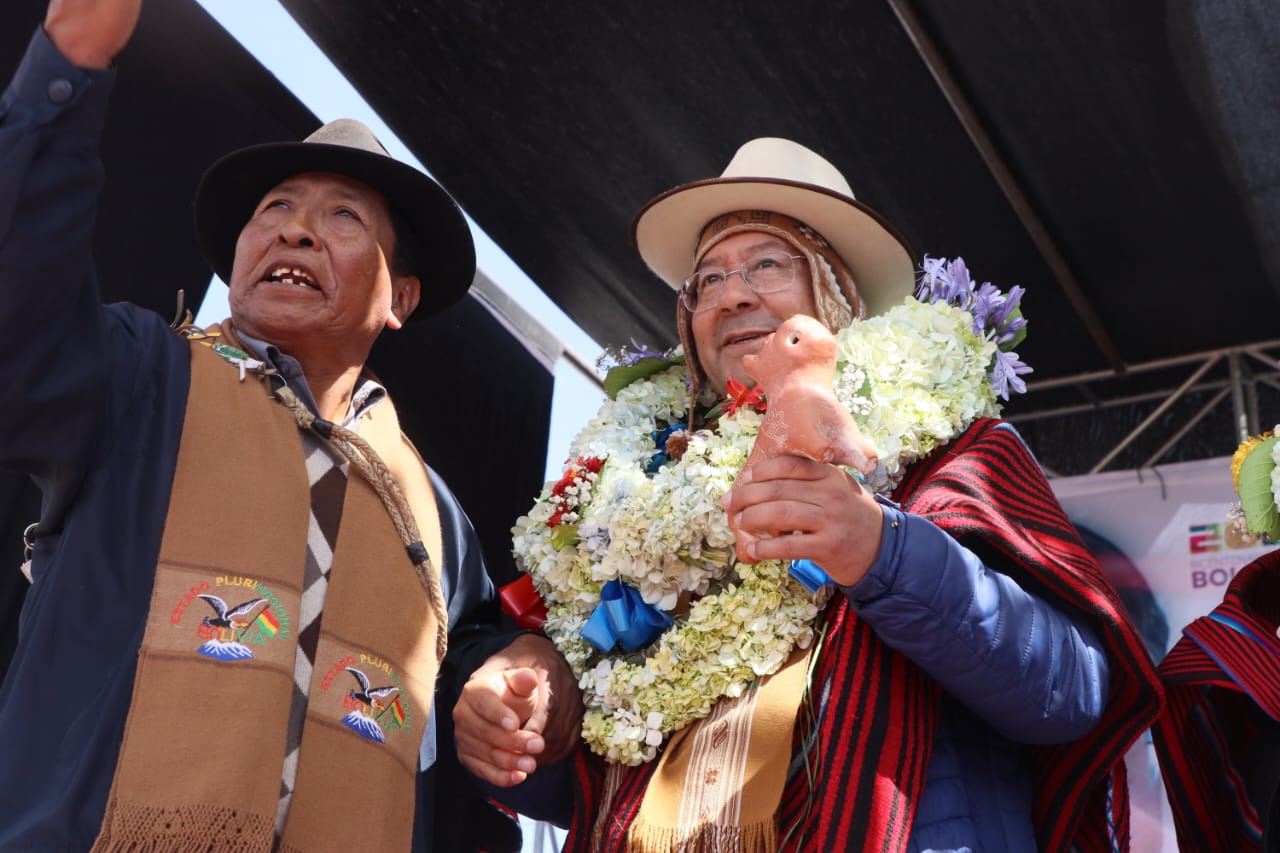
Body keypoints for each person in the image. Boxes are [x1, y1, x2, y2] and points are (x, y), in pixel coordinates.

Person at [455, 138, 1164, 851]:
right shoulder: (624, 505)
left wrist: (882, 551)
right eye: (708, 279)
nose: (733, 295)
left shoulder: (951, 450)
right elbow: (590, 786)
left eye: (767, 264)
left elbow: (1073, 690)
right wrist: (522, 730)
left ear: (839, 293)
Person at [0, 1, 546, 849]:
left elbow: (475, 656)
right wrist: (66, 68)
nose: (295, 227)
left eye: (343, 216)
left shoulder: (433, 516)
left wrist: (520, 673)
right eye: (276, 208)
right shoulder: (143, 377)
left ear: (401, 298)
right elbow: (20, 306)